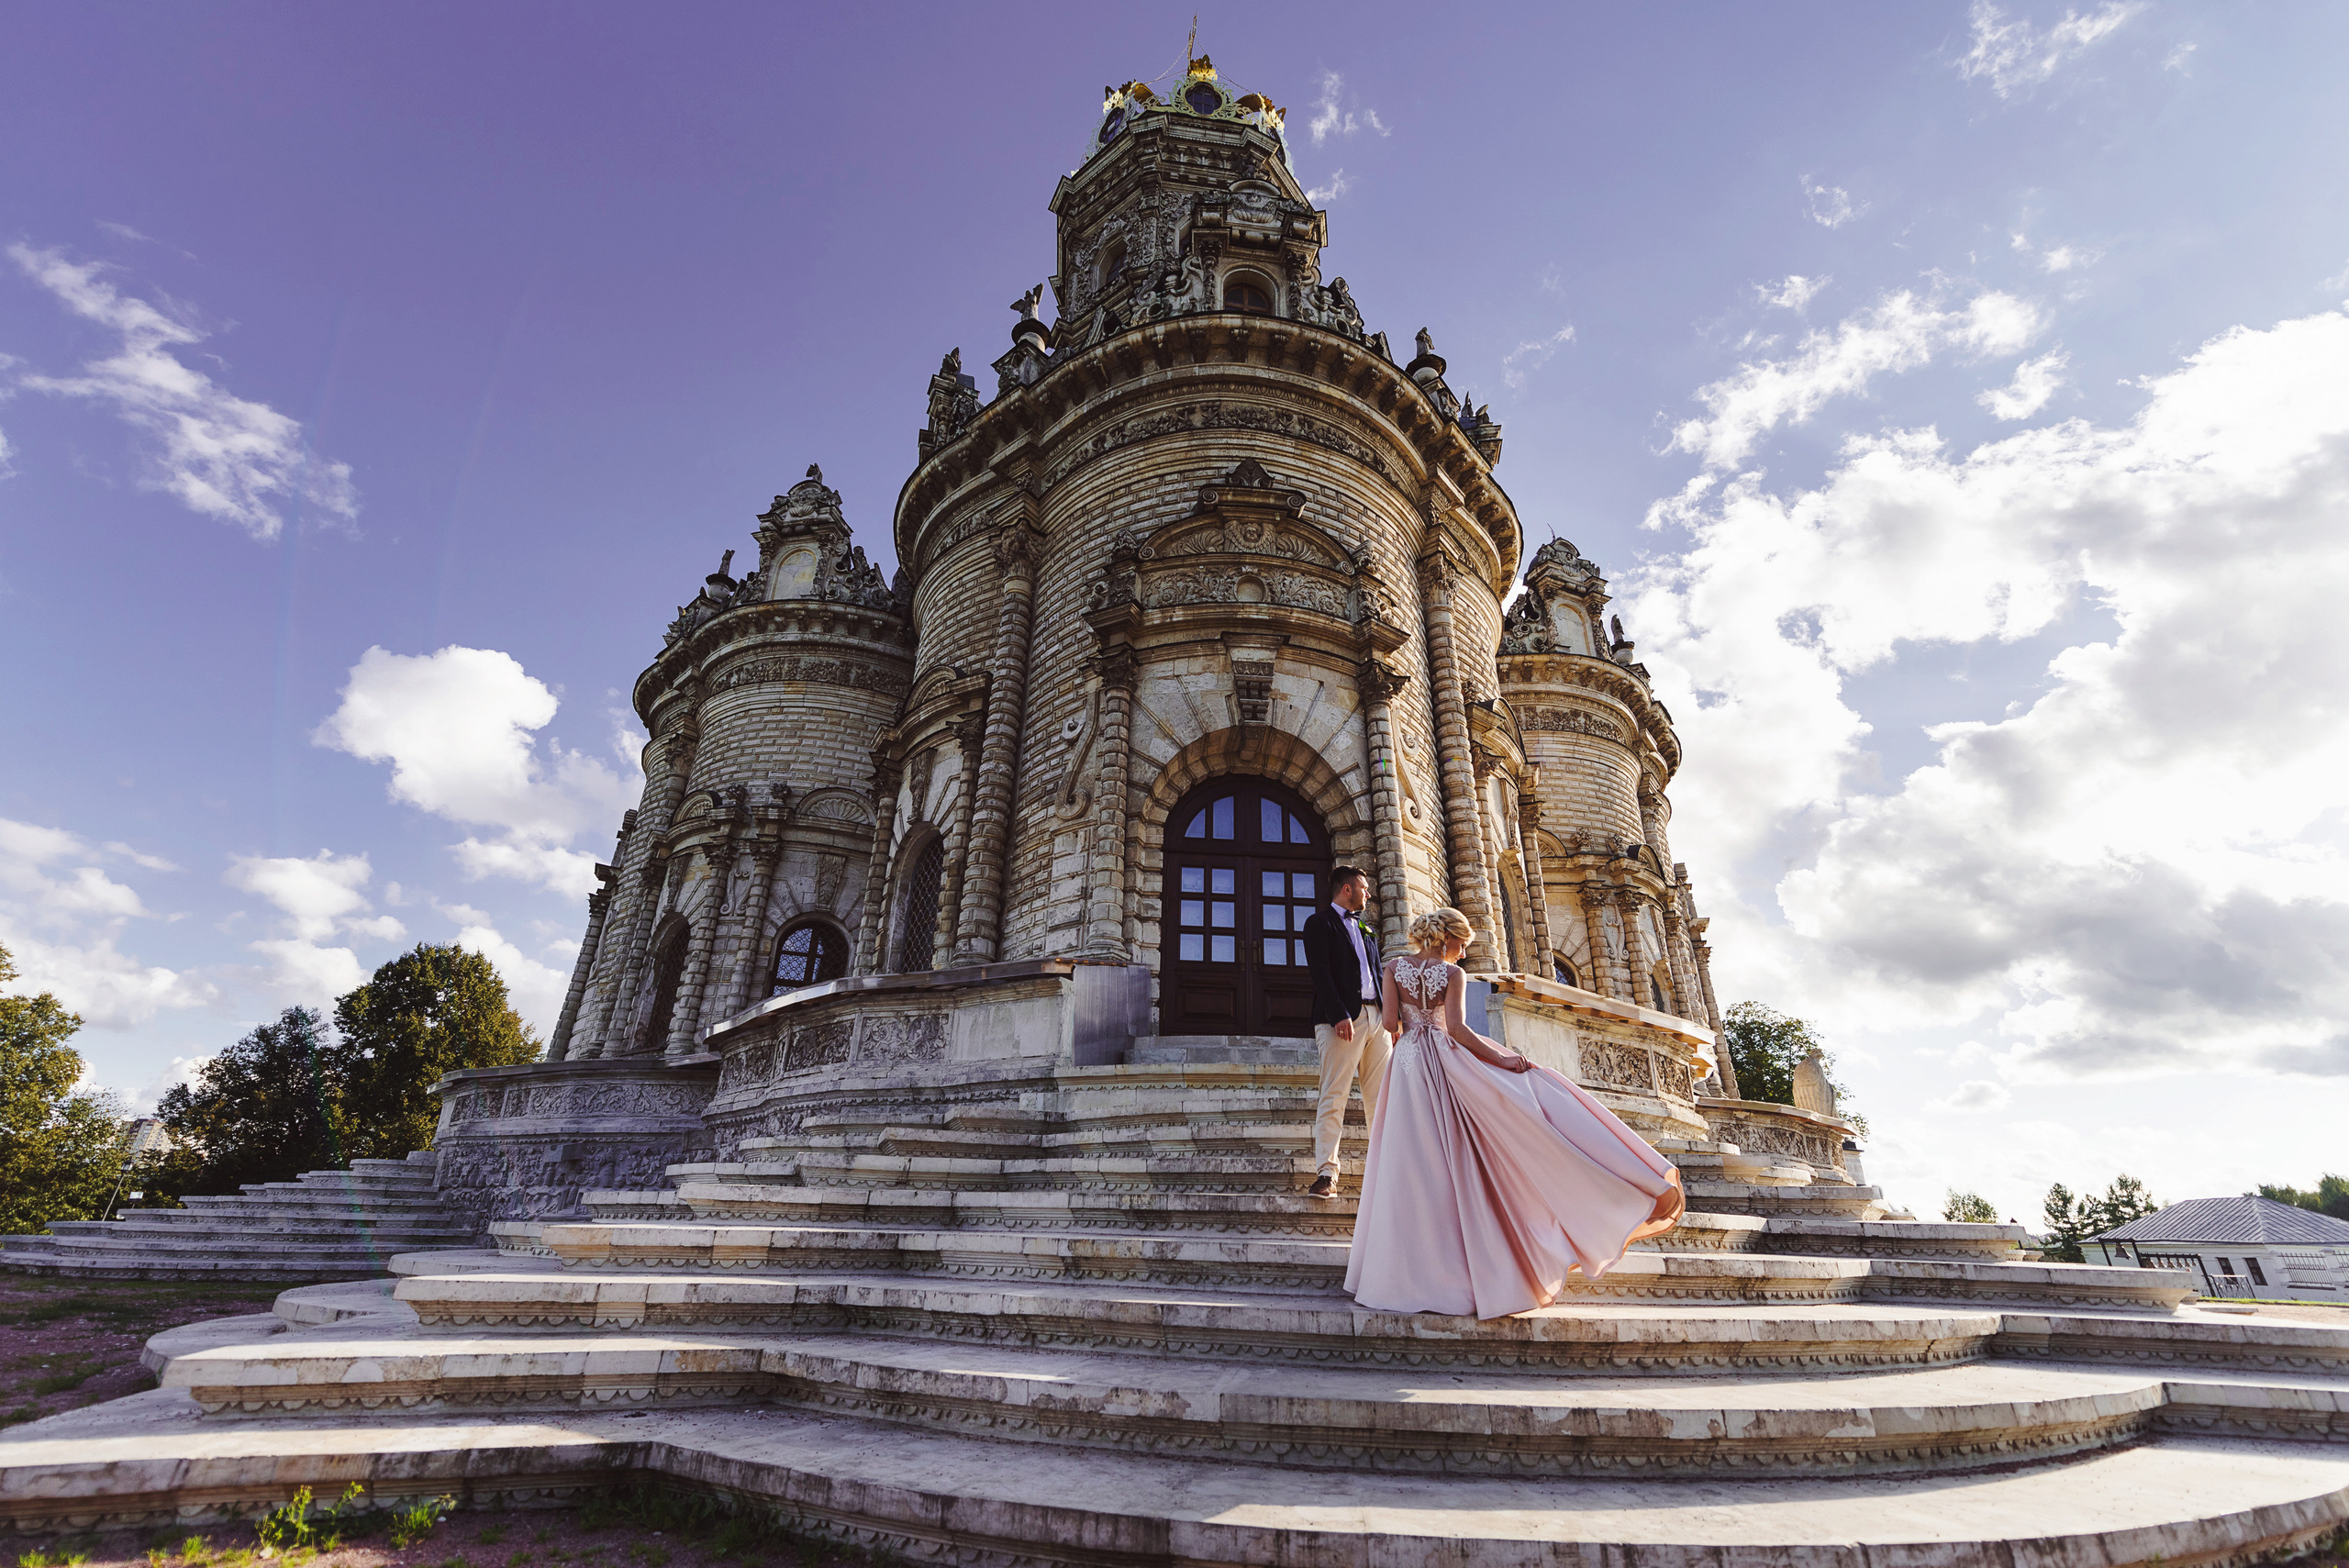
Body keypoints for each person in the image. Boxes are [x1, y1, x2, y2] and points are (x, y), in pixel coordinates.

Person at [1344, 906, 1685, 1318]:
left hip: (1408, 1064)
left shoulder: (1394, 967)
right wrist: (1503, 1061)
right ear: (1449, 938)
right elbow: (1456, 1030)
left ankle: (1399, 1272)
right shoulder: (1452, 975)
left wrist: (1411, 1034)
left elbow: (1391, 1024)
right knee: (1457, 1154)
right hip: (1444, 1062)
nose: (1464, 954)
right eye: (1463, 945)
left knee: (1408, 1162)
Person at [1298, 866, 1389, 1199]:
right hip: (1341, 1020)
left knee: (1380, 1100)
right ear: (1347, 889)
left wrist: (1388, 1018)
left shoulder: (1367, 929)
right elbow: (1320, 972)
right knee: (1334, 1095)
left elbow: (1378, 976)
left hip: (1376, 1019)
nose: (1369, 894)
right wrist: (1339, 1013)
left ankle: (1386, 1172)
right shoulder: (1319, 923)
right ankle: (1326, 1174)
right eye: (1364, 888)